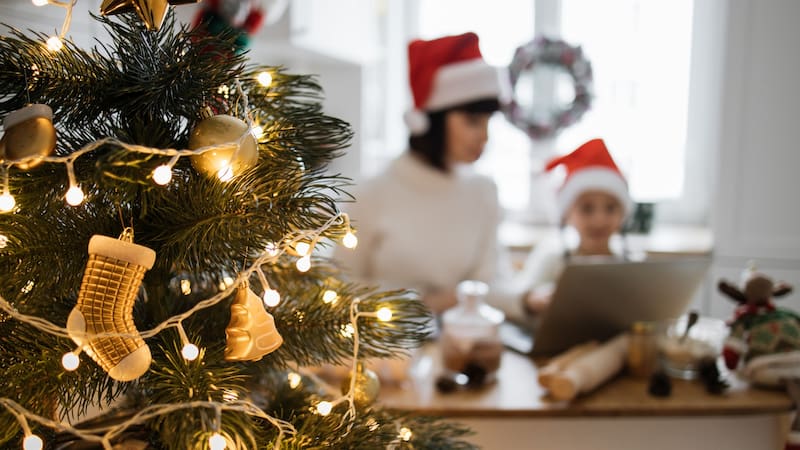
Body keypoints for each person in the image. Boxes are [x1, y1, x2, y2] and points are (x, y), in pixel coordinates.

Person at [334, 32, 508, 315]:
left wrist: (529, 302)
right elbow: (340, 288)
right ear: (435, 119)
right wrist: (424, 302)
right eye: (473, 121)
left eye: (489, 122)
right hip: (384, 350)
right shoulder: (371, 194)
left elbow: (492, 284)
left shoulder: (484, 192)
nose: (485, 136)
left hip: (461, 344)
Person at [491, 138, 633, 324]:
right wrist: (532, 300)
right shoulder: (552, 258)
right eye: (587, 209)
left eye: (610, 208)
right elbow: (511, 299)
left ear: (623, 214)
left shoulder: (631, 264)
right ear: (567, 214)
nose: (600, 219)